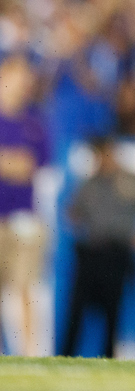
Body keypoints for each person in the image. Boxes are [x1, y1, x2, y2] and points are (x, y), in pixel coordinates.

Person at [62, 137, 135, 358]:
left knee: (113, 311)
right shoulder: (88, 184)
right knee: (76, 311)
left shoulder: (131, 181)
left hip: (118, 252)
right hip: (91, 251)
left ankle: (109, 356)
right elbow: (74, 213)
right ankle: (66, 354)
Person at [0, 53, 48, 356]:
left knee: (25, 287)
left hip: (24, 216)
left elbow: (32, 164)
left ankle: (29, 351)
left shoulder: (34, 122)